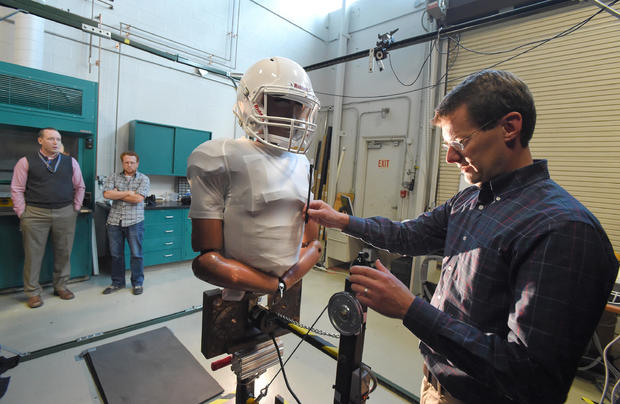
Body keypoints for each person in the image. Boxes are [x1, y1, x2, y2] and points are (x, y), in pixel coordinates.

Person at [306, 70, 619, 404]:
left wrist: (411, 309)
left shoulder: (562, 229)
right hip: (437, 384)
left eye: (460, 143)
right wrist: (342, 220)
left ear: (510, 127)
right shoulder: (472, 200)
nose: (451, 158)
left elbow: (529, 375)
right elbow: (408, 235)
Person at [188, 56, 322, 300]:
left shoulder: (302, 163)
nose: (292, 113)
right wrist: (278, 284)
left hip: (287, 286)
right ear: (252, 102)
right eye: (281, 101)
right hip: (240, 289)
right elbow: (207, 260)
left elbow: (313, 244)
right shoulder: (219, 156)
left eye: (298, 105)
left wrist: (283, 283)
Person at [10, 127, 85, 309]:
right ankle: (33, 293)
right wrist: (23, 213)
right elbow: (17, 189)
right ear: (40, 141)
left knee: (63, 252)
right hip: (35, 214)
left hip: (65, 212)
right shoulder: (25, 162)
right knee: (33, 255)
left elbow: (80, 186)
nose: (55, 142)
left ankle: (61, 286)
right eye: (51, 139)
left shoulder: (70, 162)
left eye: (58, 139)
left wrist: (75, 207)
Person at [102, 151, 150, 296]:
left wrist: (118, 193)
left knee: (136, 254)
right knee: (116, 255)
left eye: (132, 162)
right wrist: (129, 192)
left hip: (135, 221)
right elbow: (106, 194)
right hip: (114, 221)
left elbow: (138, 199)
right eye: (126, 162)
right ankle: (117, 282)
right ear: (122, 163)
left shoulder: (143, 179)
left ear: (137, 163)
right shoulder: (113, 176)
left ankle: (137, 283)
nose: (129, 165)